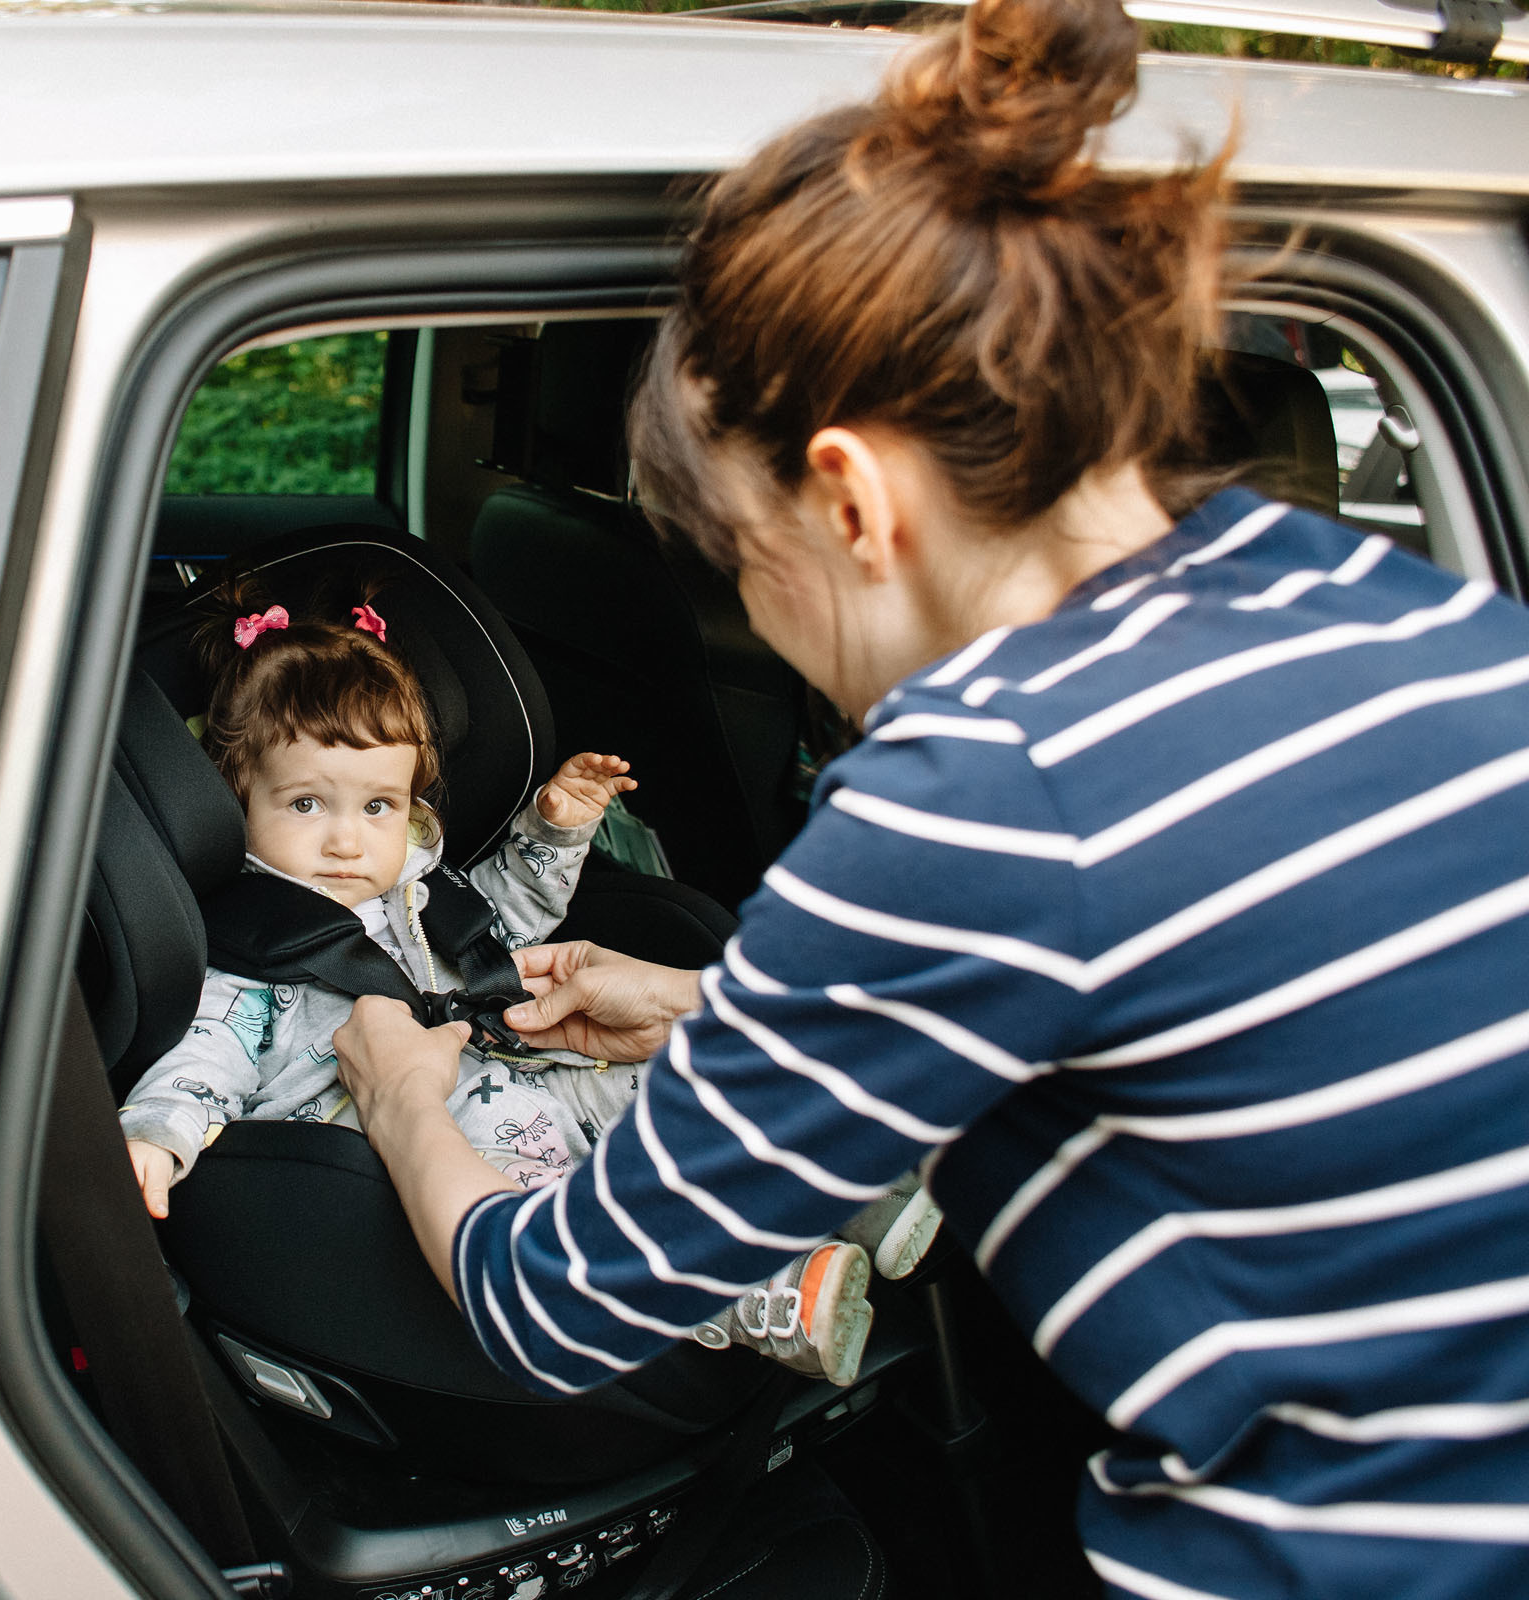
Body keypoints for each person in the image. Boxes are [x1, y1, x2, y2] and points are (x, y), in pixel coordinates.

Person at [324, 0, 1529, 1596]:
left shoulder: (982, 783)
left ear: (851, 497)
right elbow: (1207, 1021)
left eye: (747, 565)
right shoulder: (1405, 612)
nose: (767, 627)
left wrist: (402, 1094)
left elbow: (561, 1307)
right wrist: (702, 1012)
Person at [117, 593, 912, 1383]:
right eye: (305, 804)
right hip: (428, 1149)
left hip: (532, 1074)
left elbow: (505, 926)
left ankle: (845, 1183)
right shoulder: (254, 953)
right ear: (237, 797)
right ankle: (762, 1295)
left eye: (378, 806)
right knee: (568, 1226)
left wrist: (554, 833)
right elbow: (206, 1055)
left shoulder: (419, 895)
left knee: (683, 1086)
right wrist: (158, 1135)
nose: (347, 840)